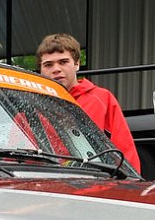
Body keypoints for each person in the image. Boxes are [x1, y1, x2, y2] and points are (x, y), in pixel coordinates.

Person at [36, 33, 141, 172]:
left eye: (63, 62)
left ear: (77, 64)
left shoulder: (102, 98)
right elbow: (12, 157)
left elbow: (125, 151)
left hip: (94, 184)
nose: (56, 69)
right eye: (48, 65)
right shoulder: (31, 105)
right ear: (41, 70)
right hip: (46, 186)